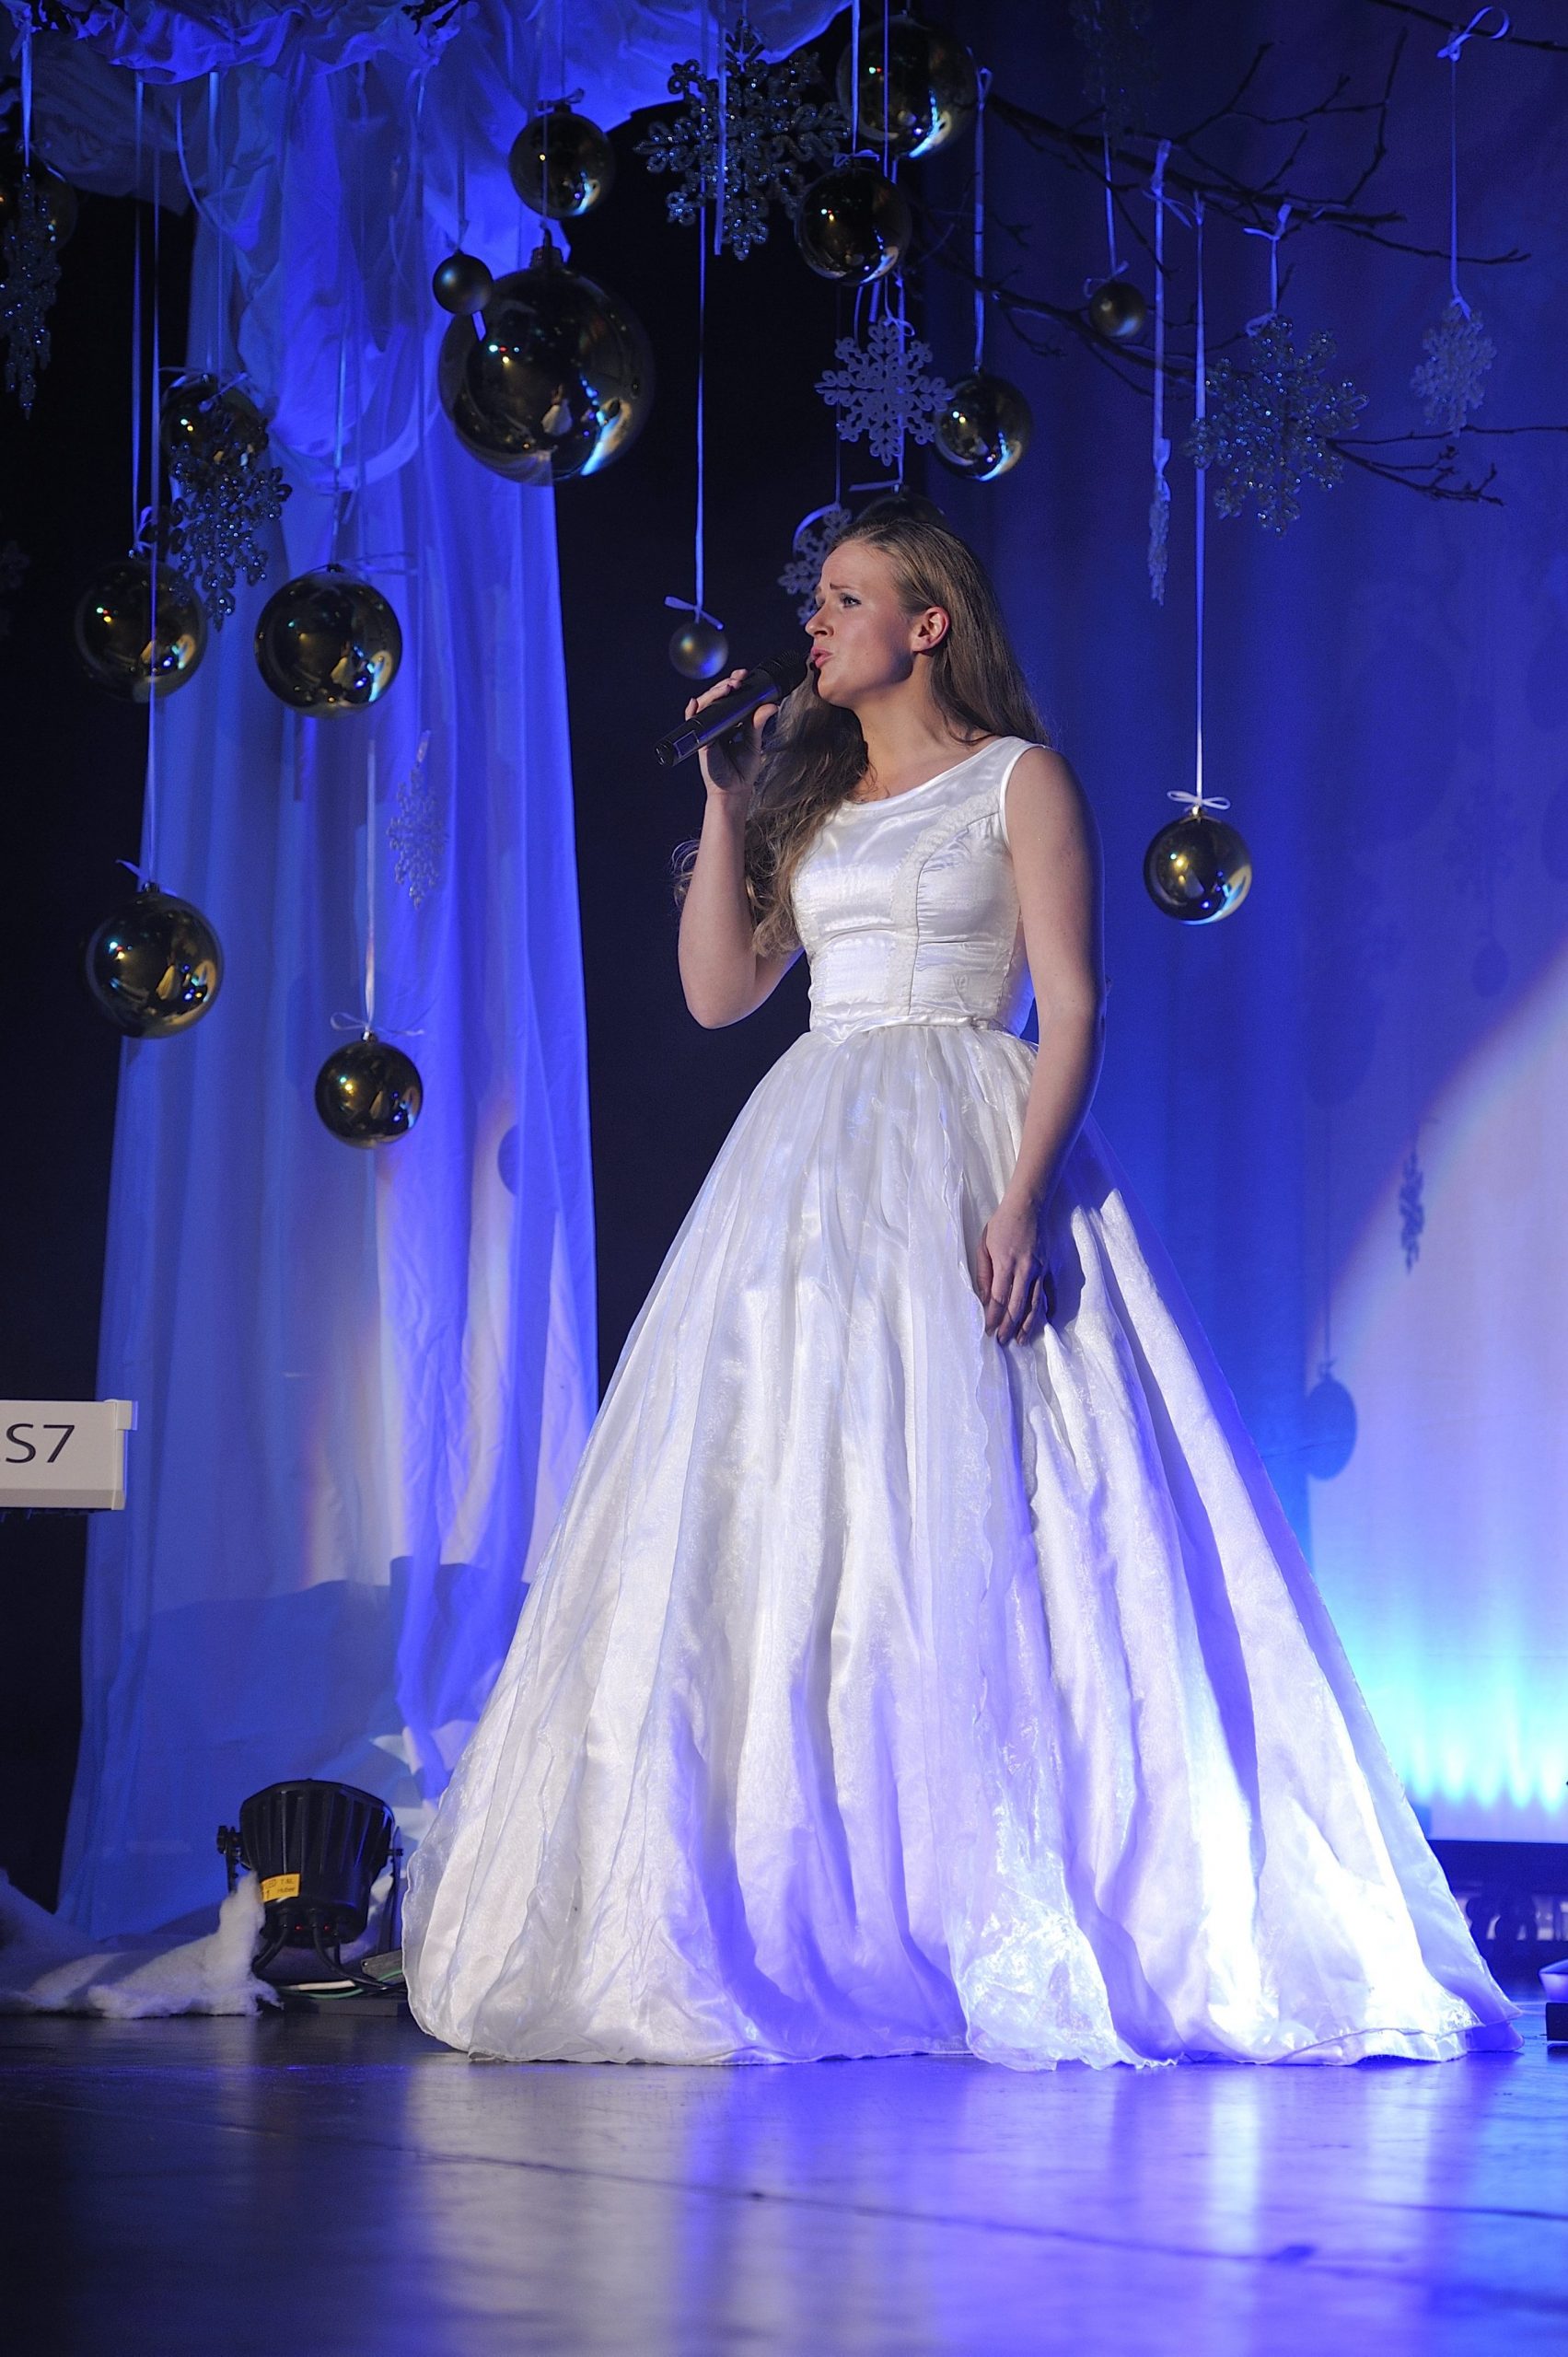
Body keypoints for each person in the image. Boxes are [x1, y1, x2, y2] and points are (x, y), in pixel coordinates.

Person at [402, 507, 1519, 2071]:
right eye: (818, 599)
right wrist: (727, 804)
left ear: (927, 624)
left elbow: (1075, 1006)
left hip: (968, 1138)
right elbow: (721, 993)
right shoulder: (811, 798)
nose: (816, 622)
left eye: (847, 597)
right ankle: (816, 1887)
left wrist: (1022, 1195)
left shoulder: (1019, 780)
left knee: (995, 1501)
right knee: (803, 1507)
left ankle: (1019, 1888)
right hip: (809, 1166)